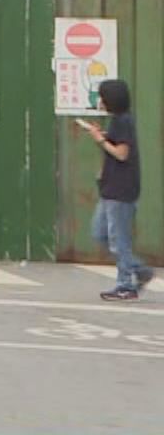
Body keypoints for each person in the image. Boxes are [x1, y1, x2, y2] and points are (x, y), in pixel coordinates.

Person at [80, 79, 152, 301]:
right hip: (111, 188)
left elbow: (121, 154)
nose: (99, 101)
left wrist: (99, 140)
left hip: (121, 189)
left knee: (118, 239)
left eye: (102, 97)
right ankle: (140, 270)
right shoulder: (117, 122)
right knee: (99, 232)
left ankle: (125, 285)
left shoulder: (123, 122)